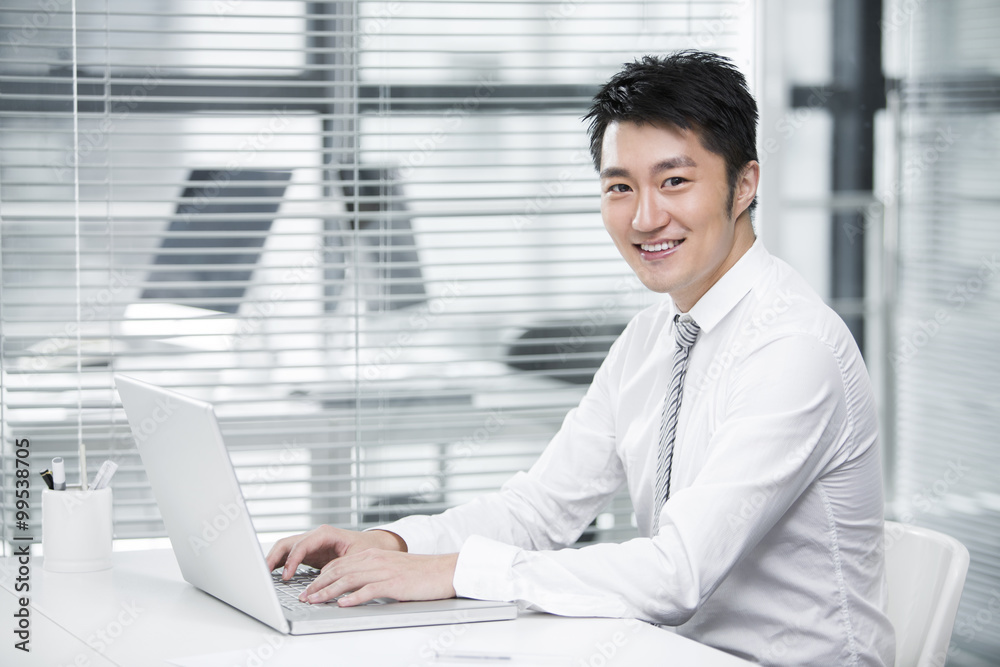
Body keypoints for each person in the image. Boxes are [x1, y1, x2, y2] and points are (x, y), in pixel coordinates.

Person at [266, 51, 895, 666]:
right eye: (620, 187)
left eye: (674, 181)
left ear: (744, 185)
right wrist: (393, 544)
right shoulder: (653, 337)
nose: (646, 217)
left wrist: (453, 571)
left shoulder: (792, 349)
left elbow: (677, 573)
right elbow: (539, 510)